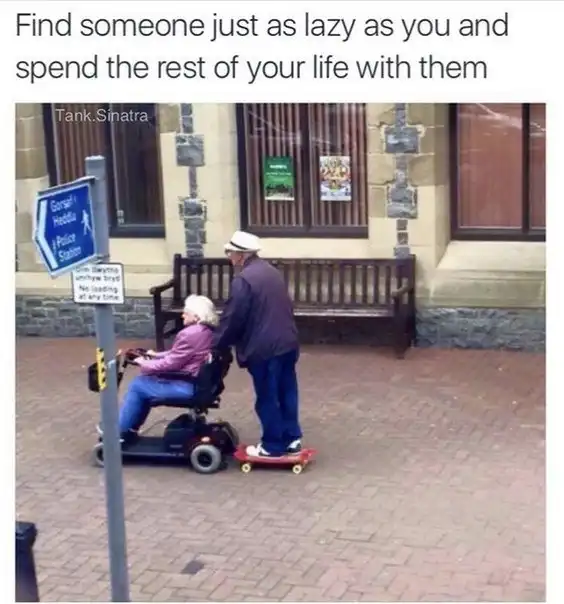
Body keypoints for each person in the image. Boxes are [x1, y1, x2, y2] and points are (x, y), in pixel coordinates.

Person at [213, 230, 303, 458]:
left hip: (264, 347)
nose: (229, 256)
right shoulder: (271, 272)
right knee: (287, 391)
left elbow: (234, 317)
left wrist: (217, 343)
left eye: (230, 252)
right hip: (287, 341)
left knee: (267, 396)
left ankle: (272, 446)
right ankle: (292, 438)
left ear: (241, 255)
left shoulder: (243, 280)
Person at [97, 295, 218, 439]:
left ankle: (118, 431)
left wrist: (143, 362)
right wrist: (154, 355)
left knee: (138, 385)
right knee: (144, 383)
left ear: (196, 316)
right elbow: (179, 353)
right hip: (200, 383)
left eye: (186, 312)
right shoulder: (206, 331)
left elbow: (171, 363)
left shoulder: (189, 334)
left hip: (189, 386)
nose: (182, 315)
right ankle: (130, 428)